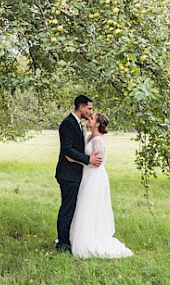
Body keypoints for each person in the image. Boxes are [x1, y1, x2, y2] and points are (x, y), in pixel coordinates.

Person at [68, 112, 134, 259]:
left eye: (91, 118)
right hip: (87, 176)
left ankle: (90, 241)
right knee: (84, 206)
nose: (88, 119)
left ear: (97, 124)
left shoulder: (98, 141)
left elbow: (96, 162)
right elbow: (88, 158)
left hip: (95, 178)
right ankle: (80, 237)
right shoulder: (89, 137)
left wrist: (76, 160)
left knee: (91, 207)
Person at [55, 94, 102, 253]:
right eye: (89, 108)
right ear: (81, 107)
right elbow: (68, 149)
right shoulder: (68, 123)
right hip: (68, 174)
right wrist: (88, 159)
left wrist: (80, 159)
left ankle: (66, 240)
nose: (91, 111)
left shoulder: (77, 123)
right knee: (67, 209)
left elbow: (73, 150)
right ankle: (62, 245)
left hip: (74, 172)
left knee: (71, 208)